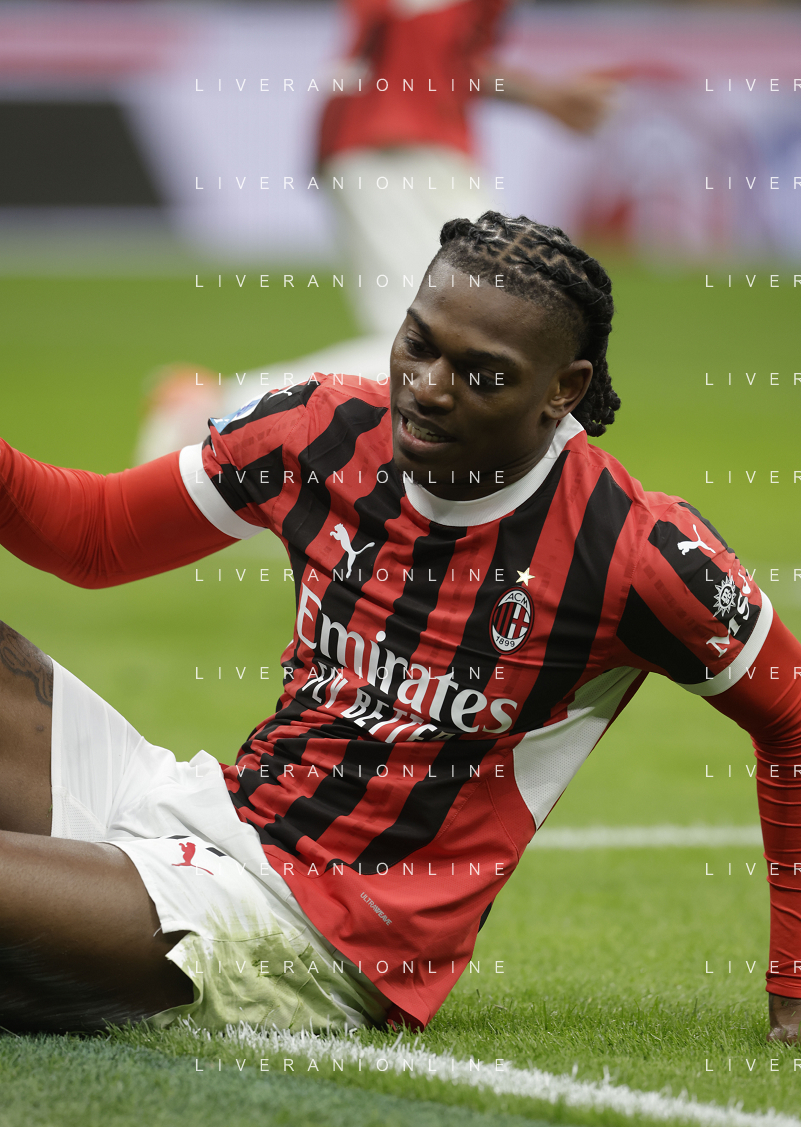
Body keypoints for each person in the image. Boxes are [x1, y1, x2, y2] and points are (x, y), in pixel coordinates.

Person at [2, 211, 801, 1043]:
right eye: (418, 344)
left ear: (562, 389)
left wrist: (793, 974)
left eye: (481, 374)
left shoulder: (636, 550)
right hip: (198, 809)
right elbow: (92, 535)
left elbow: (790, 711)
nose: (428, 387)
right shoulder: (319, 429)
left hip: (303, 933)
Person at [134, 0, 615, 463]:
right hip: (399, 141)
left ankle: (224, 408)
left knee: (467, 324)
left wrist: (541, 97)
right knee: (439, 334)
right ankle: (216, 407)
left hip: (408, 136)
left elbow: (449, 58)